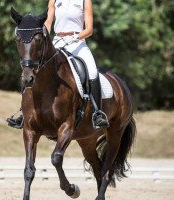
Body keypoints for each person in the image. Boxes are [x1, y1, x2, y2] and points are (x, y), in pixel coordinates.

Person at [7, 0, 109, 129]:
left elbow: (89, 30)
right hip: (57, 42)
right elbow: (48, 23)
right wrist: (44, 37)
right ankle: (24, 112)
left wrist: (76, 37)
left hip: (77, 42)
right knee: (34, 69)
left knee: (93, 71)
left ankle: (97, 113)